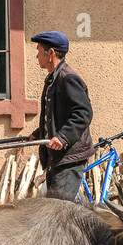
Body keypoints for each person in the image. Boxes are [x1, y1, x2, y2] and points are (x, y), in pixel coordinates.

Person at [29, 31, 93, 200]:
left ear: (50, 53)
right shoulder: (53, 78)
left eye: (38, 51)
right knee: (55, 208)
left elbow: (83, 113)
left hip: (69, 158)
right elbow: (55, 116)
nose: (36, 56)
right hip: (57, 158)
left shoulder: (68, 78)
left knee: (58, 211)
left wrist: (63, 137)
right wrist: (38, 134)